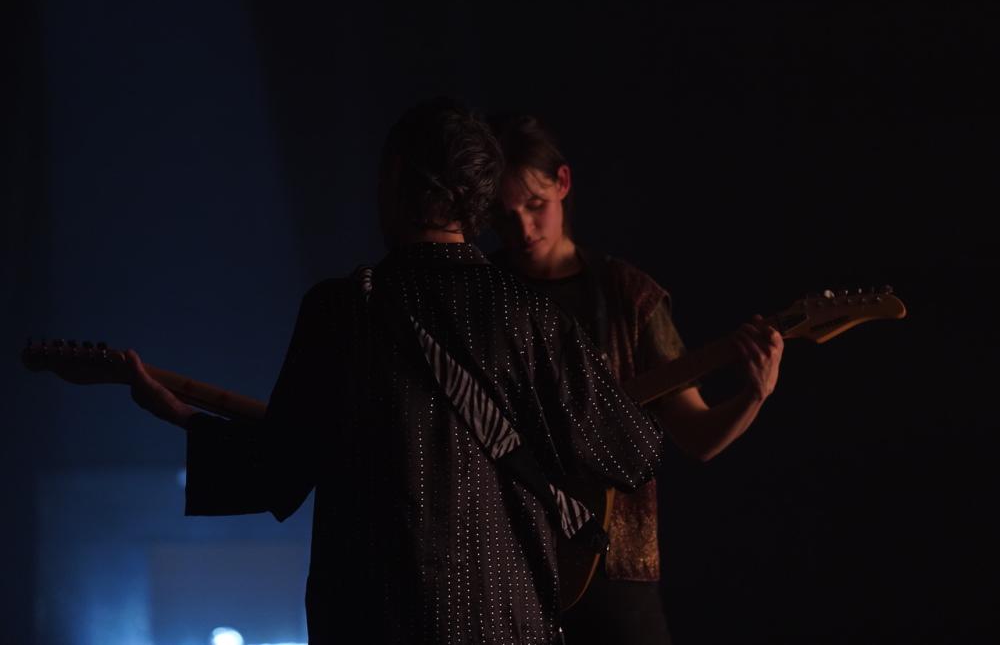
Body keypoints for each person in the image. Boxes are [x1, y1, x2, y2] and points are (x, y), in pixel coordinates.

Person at [126, 98, 665, 644]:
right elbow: (633, 452)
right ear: (479, 195)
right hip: (507, 621)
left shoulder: (339, 311)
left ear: (396, 176)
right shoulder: (528, 315)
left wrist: (177, 414)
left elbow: (277, 471)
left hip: (372, 621)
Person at [488, 113, 784, 644]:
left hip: (615, 570)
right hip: (508, 565)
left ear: (563, 183)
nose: (525, 230)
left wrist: (753, 393)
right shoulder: (481, 294)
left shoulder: (628, 296)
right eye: (505, 216)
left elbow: (698, 438)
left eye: (536, 206)